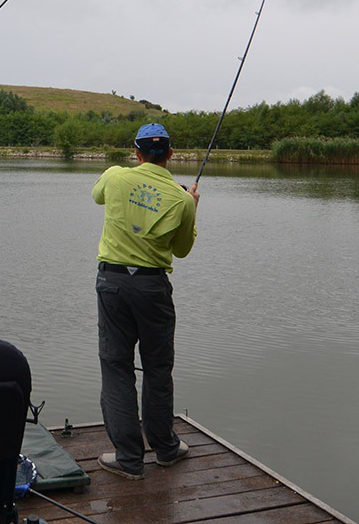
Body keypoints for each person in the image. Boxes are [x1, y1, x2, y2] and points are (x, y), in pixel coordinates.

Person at [92, 122, 199, 480]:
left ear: (136, 153)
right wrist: (192, 207)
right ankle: (166, 449)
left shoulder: (116, 176)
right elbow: (182, 251)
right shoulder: (182, 199)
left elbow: (97, 196)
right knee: (157, 369)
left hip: (113, 284)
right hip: (153, 288)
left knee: (116, 367)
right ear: (170, 153)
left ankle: (129, 460)